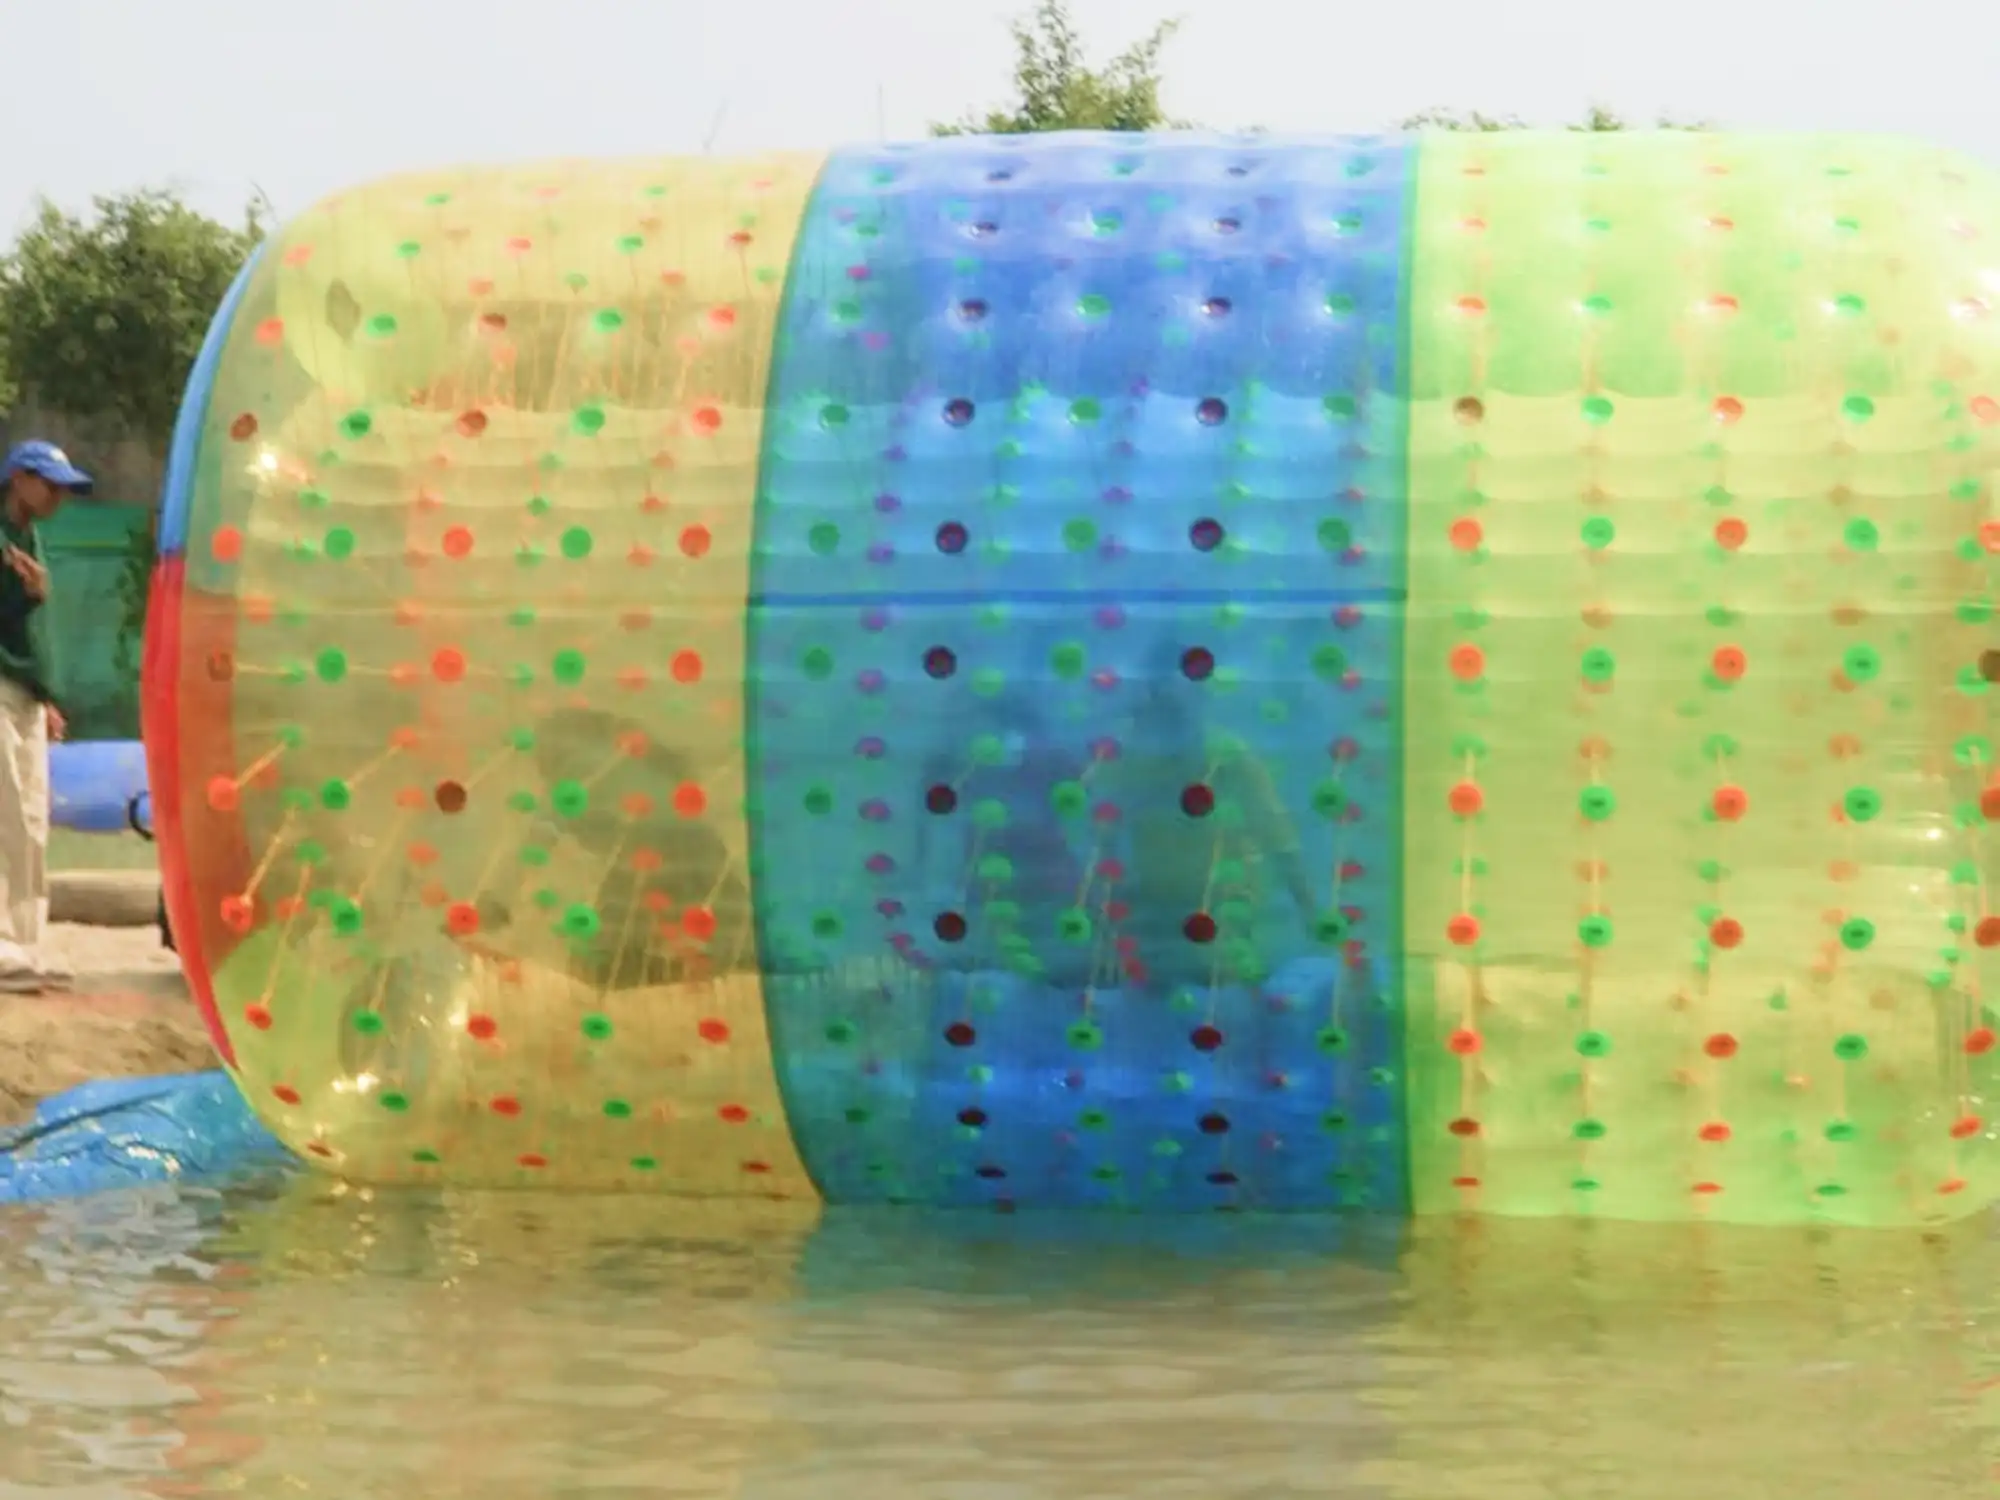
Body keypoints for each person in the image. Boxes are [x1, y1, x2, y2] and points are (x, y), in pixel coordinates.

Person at [0, 440, 91, 993]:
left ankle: (27, 946)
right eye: (51, 484)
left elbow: (28, 635)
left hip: (24, 695)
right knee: (5, 814)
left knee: (32, 818)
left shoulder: (29, 537)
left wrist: (46, 695)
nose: (60, 496)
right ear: (19, 479)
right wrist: (26, 596)